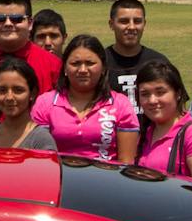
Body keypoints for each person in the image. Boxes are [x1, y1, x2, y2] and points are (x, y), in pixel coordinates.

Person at [32, 34, 140, 162]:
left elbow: (126, 163)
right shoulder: (45, 103)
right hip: (58, 174)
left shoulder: (120, 104)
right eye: (75, 63)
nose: (83, 70)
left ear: (103, 68)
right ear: (65, 67)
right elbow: (39, 159)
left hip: (106, 175)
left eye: (90, 63)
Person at [132, 59, 192, 186]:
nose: (152, 100)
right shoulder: (146, 132)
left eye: (160, 92)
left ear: (178, 93)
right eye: (145, 94)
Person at [0, 55, 57, 150]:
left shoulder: (40, 140)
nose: (9, 97)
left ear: (32, 93)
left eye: (18, 90)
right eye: (2, 90)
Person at [99, 0, 170, 101]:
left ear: (144, 24)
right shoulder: (100, 63)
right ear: (111, 24)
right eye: (124, 21)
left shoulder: (159, 62)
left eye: (137, 21)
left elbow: (176, 105)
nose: (131, 27)